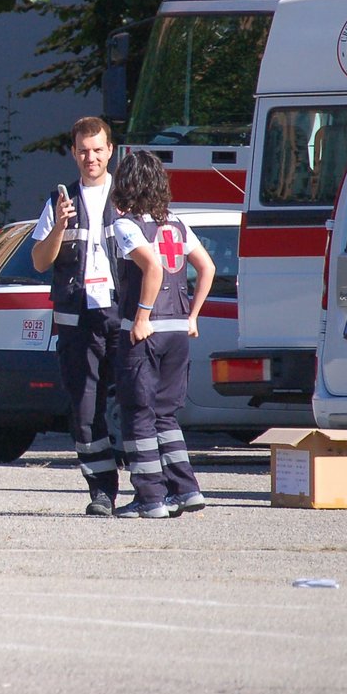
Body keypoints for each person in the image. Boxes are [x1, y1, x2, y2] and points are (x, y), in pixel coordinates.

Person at [109, 149, 215, 519]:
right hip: (178, 330)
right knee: (167, 415)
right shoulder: (177, 224)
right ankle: (186, 490)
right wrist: (194, 315)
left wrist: (141, 316)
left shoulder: (127, 226)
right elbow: (207, 268)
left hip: (146, 330)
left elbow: (152, 268)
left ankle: (150, 496)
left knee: (137, 412)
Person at [30, 116, 122, 516]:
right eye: (84, 150)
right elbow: (38, 261)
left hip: (123, 316)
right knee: (85, 411)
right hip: (76, 320)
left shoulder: (128, 196)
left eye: (98, 149)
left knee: (139, 404)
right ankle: (102, 490)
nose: (91, 157)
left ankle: (151, 489)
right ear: (73, 153)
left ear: (110, 151)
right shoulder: (59, 201)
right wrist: (59, 228)